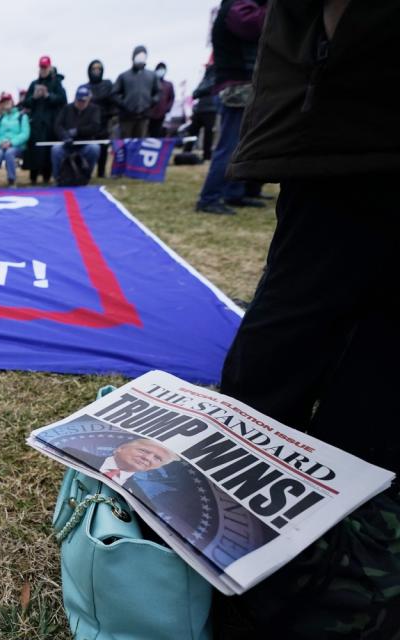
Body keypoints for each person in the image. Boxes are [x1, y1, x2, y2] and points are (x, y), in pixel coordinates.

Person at [217, 3, 400, 637]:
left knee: (379, 379)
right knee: (284, 349)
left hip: (348, 101)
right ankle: (232, 562)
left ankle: (340, 575)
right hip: (346, 117)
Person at [195, 1, 267, 215]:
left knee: (242, 145)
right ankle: (209, 198)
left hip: (241, 84)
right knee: (229, 146)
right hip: (235, 86)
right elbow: (253, 25)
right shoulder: (237, 7)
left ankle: (234, 193)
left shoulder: (239, 6)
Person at [22, 55, 67, 185]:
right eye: (41, 67)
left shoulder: (56, 83)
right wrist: (34, 97)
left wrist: (48, 96)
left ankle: (47, 176)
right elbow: (26, 103)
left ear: (50, 67)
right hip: (36, 124)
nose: (43, 70)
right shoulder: (34, 83)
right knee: (35, 151)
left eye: (45, 67)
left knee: (48, 150)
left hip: (51, 123)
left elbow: (63, 100)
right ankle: (33, 177)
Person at [52, 85, 102, 185]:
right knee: (56, 149)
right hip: (67, 144)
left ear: (88, 99)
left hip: (85, 143)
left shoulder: (94, 110)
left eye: (83, 101)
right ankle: (58, 177)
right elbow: (57, 125)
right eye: (78, 100)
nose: (80, 103)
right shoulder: (67, 108)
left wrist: (78, 131)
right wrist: (64, 135)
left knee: (94, 148)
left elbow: (95, 127)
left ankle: (86, 176)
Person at [112, 46, 159, 139]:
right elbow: (114, 94)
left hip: (144, 117)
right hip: (126, 117)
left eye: (143, 57)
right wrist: (124, 104)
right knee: (126, 143)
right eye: (138, 57)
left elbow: (158, 92)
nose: (141, 59)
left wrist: (150, 102)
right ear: (133, 57)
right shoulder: (124, 76)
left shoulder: (152, 75)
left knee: (140, 143)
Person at [0, 92, 30, 187]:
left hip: (16, 146)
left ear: (12, 101)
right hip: (1, 145)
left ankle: (11, 179)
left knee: (9, 153)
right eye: (3, 101)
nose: (6, 103)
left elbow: (25, 134)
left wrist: (11, 142)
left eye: (7, 100)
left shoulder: (22, 116)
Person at [99, 438, 178, 486]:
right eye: (143, 451)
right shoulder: (86, 459)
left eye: (157, 458)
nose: (148, 458)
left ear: (158, 466)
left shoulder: (140, 498)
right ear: (121, 448)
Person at [86, 59, 116, 178]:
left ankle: (101, 172)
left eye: (99, 69)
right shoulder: (86, 87)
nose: (96, 71)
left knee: (103, 147)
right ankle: (87, 171)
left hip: (104, 120)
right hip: (89, 122)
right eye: (94, 69)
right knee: (90, 147)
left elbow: (112, 100)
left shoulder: (107, 84)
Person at [185, 63, 217, 161]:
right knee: (192, 131)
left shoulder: (215, 78)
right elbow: (195, 93)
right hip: (199, 109)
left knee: (208, 133)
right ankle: (187, 152)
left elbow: (207, 88)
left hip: (210, 109)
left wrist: (200, 92)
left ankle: (207, 155)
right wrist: (200, 92)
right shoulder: (204, 79)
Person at [147, 62, 175, 137]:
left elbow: (172, 98)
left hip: (162, 115)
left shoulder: (168, 85)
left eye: (163, 69)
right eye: (159, 69)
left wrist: (167, 108)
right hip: (149, 114)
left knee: (158, 133)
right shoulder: (150, 83)